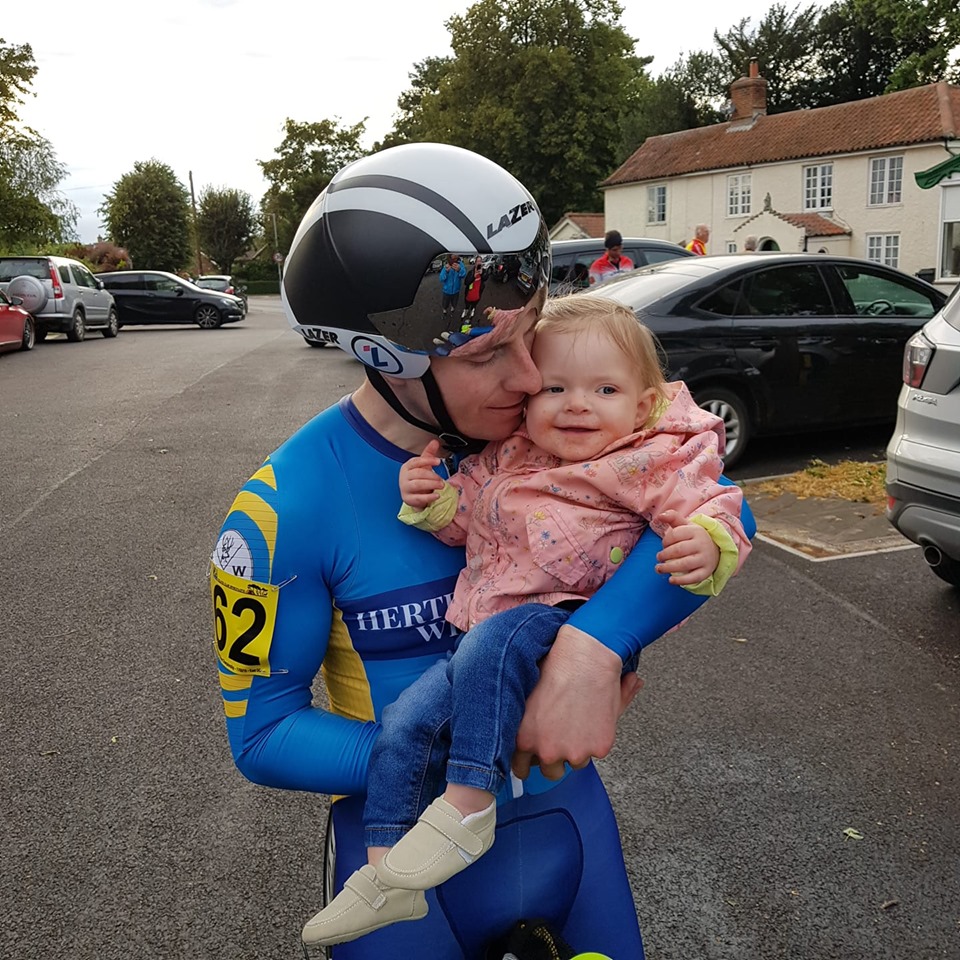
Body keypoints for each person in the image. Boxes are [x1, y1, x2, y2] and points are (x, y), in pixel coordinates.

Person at [210, 142, 756, 960]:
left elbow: (717, 506)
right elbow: (263, 738)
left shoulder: (546, 436)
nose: (534, 377)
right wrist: (474, 750)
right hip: (405, 875)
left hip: (572, 832)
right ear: (382, 356)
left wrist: (591, 652)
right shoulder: (283, 508)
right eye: (487, 353)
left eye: (531, 334)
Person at [303, 296, 751, 947]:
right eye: (554, 388)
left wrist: (710, 541)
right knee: (405, 721)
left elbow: (713, 500)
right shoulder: (508, 456)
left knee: (491, 643)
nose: (576, 405)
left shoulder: (643, 457)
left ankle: (468, 803)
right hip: (489, 642)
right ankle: (385, 873)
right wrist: (433, 501)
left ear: (644, 405)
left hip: (566, 619)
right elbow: (468, 523)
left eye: (604, 390)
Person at [461, 256, 485, 321]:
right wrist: (473, 277)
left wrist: (482, 274)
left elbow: (486, 278)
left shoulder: (483, 271)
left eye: (480, 261)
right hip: (469, 294)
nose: (479, 263)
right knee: (467, 304)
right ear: (475, 263)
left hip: (477, 294)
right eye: (477, 261)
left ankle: (472, 310)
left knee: (474, 304)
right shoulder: (471, 272)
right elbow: (466, 283)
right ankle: (466, 311)